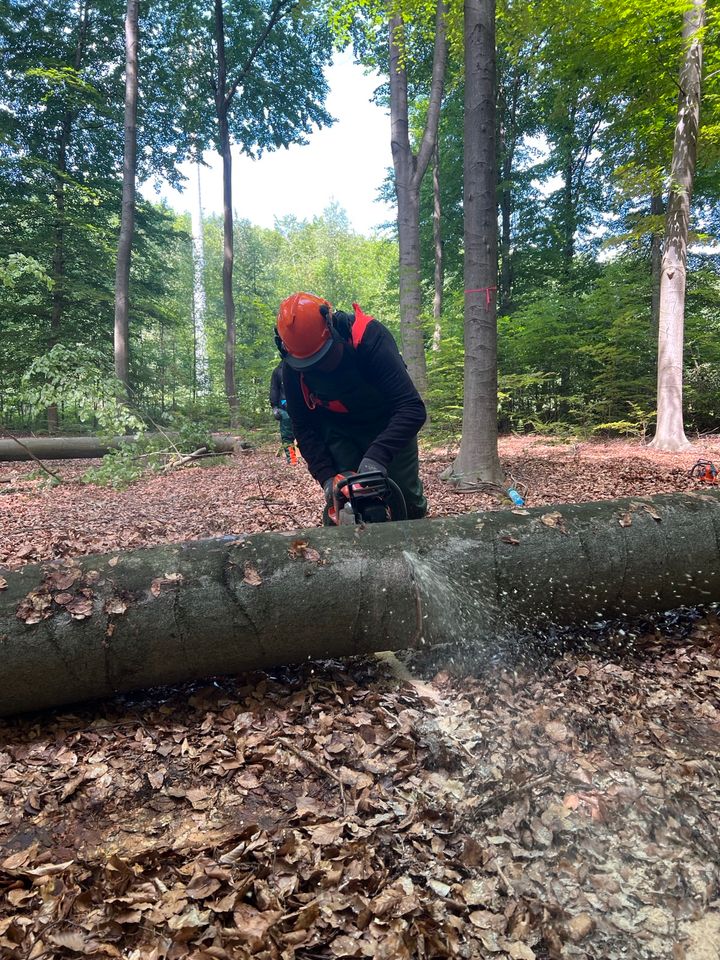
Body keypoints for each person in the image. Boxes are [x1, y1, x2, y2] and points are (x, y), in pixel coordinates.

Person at [274, 291, 427, 521]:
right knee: (349, 501)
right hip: (336, 429)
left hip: (390, 423)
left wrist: (377, 457)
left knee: (406, 501)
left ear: (332, 327)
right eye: (309, 364)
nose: (319, 367)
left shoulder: (369, 338)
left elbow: (412, 408)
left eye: (322, 358)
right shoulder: (292, 368)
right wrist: (325, 477)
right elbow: (302, 427)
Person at [269, 362, 297, 464]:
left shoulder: (298, 367)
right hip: (284, 408)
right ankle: (292, 459)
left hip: (300, 407)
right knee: (287, 435)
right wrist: (275, 407)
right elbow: (274, 389)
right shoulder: (277, 371)